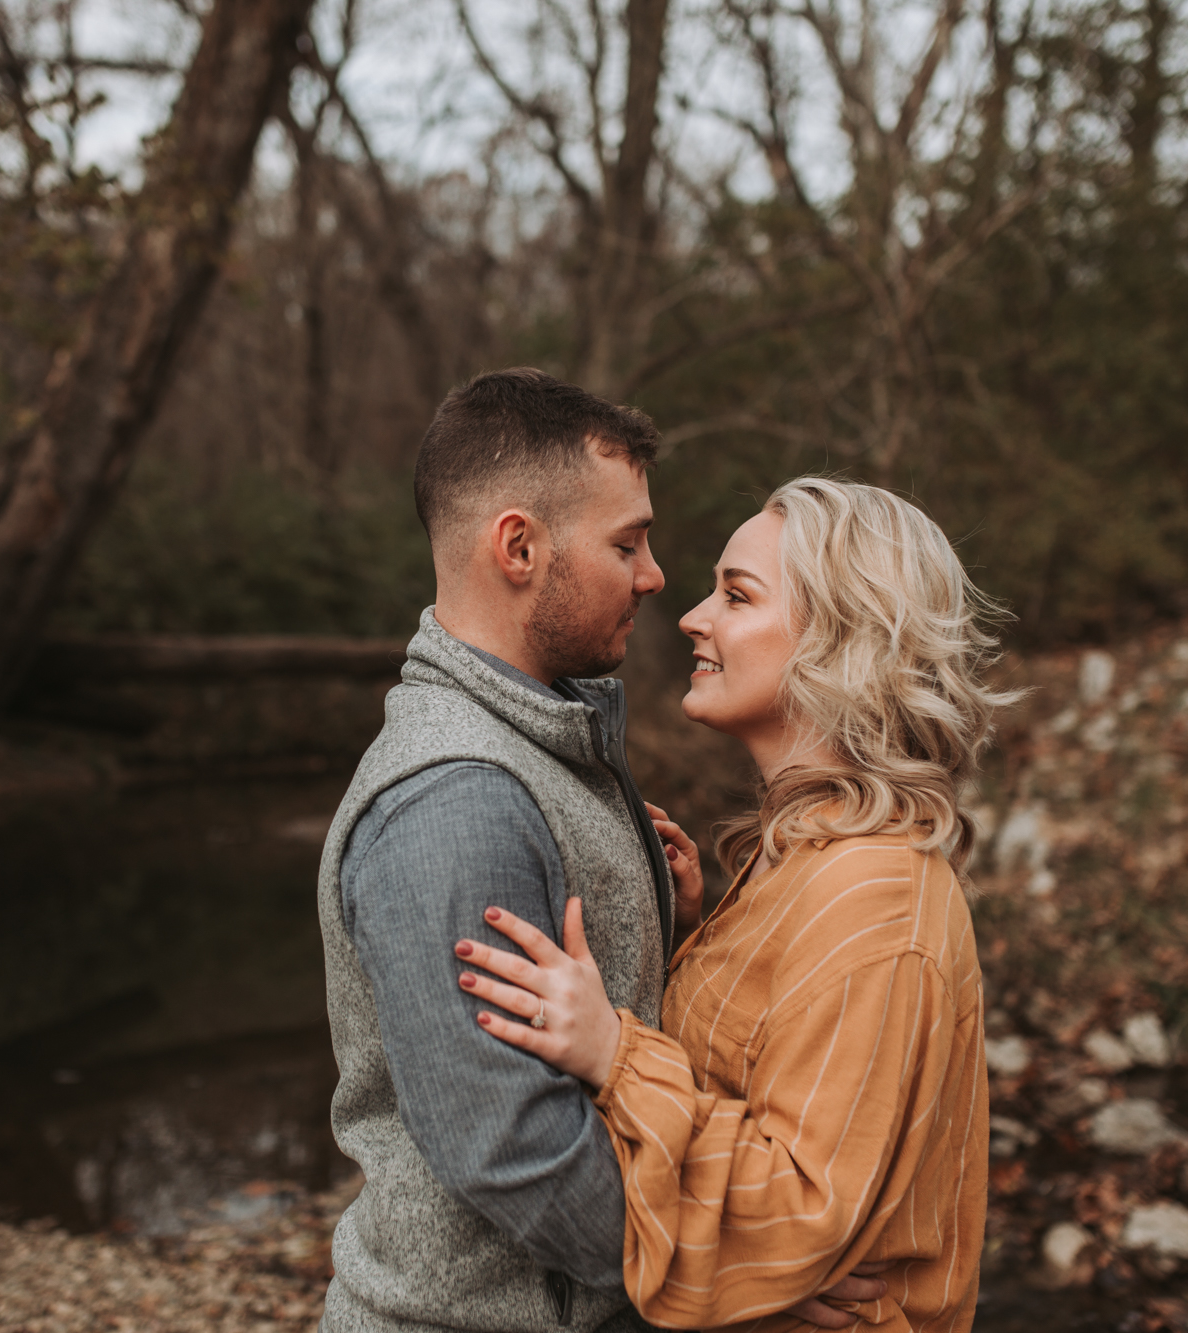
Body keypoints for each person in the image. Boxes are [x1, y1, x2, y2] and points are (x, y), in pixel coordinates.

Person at [316, 372, 885, 1333]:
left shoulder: (549, 746)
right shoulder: (457, 799)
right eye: (628, 543)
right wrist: (741, 1276)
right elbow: (511, 1143)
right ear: (520, 546)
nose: (656, 574)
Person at [454, 477, 1009, 1333]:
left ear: (842, 641)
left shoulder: (873, 895)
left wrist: (613, 1050)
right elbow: (776, 1089)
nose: (690, 614)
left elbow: (799, 1215)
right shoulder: (801, 857)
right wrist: (697, 940)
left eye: (736, 594)